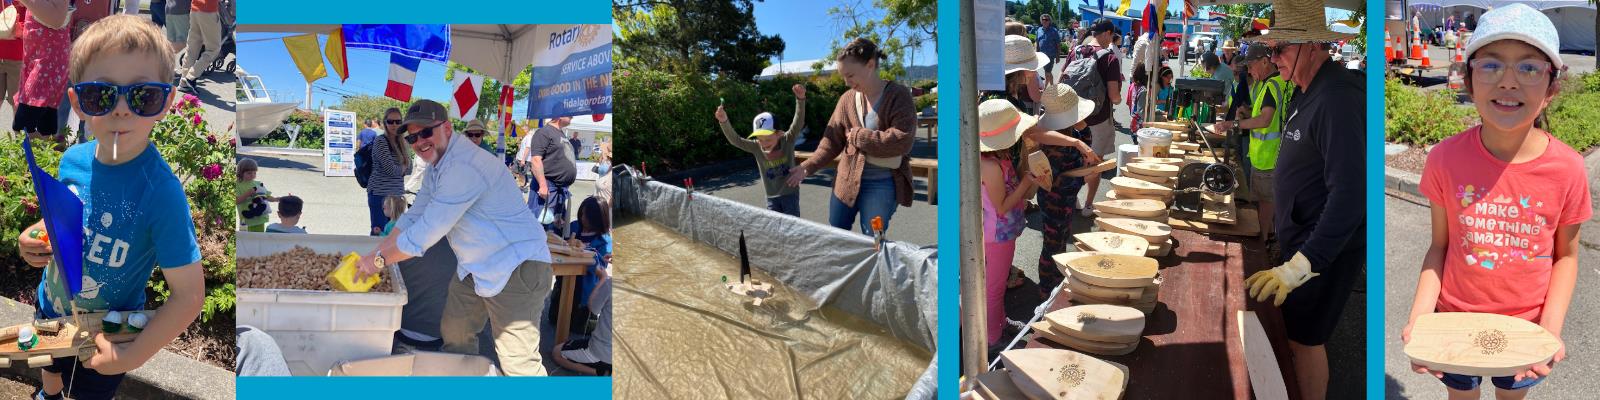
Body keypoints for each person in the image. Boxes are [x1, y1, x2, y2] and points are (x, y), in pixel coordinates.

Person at [1404, 5, 1588, 399]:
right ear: (1468, 81)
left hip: (1527, 330)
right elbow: (1440, 245)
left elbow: (1567, 258)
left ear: (1552, 87)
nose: (1508, 82)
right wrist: (1420, 319)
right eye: (1490, 66)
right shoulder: (1444, 158)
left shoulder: (1568, 169)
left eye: (1529, 68)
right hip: (1454, 321)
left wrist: (1550, 331)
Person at [15, 16, 203, 400]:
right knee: (48, 366)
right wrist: (35, 236)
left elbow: (189, 296)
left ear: (166, 102)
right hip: (52, 304)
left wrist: (131, 355)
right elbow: (66, 215)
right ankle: (48, 395)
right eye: (100, 95)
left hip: (107, 329)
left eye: (143, 95)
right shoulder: (74, 158)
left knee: (87, 390)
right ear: (77, 104)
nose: (120, 110)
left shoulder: (160, 192)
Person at [356, 99, 554, 376]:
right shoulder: (438, 166)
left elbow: (425, 234)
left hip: (517, 266)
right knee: (455, 335)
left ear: (447, 128)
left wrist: (376, 262)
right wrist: (376, 252)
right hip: (476, 266)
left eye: (426, 132)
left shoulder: (463, 166)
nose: (419, 141)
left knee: (519, 363)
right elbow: (413, 217)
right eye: (412, 137)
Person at [1240, 1, 1366, 399]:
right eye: (1272, 50)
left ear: (1313, 45)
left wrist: (1302, 265)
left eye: (1280, 50)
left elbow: (1350, 193)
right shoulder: (1308, 90)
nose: (1272, 58)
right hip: (1303, 242)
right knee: (1295, 336)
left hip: (1321, 252)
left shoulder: (1336, 97)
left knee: (1306, 340)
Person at [787, 38, 915, 237]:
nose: (846, 82)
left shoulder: (899, 95)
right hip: (845, 180)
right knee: (837, 233)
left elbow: (901, 140)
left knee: (874, 239)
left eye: (850, 75)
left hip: (882, 184)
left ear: (871, 65)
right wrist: (808, 166)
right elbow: (830, 142)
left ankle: (874, 269)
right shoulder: (846, 99)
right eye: (843, 77)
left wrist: (858, 136)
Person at [976, 99, 1041, 351]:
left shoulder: (994, 157)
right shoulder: (990, 165)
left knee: (997, 283)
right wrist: (1026, 183)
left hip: (1000, 232)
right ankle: (993, 338)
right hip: (997, 234)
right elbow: (1001, 206)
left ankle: (1000, 322)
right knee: (993, 288)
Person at [1212, 45, 1290, 242]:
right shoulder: (1271, 83)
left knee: (1265, 204)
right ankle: (1269, 237)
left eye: (1251, 66)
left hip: (1269, 157)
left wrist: (1234, 123)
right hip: (1267, 156)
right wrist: (1246, 113)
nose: (1249, 72)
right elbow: (1263, 116)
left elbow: (1265, 120)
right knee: (1265, 203)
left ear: (1265, 61)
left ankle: (1263, 240)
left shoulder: (1272, 85)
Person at [716, 83, 806, 217]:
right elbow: (736, 140)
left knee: (792, 227)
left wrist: (800, 100)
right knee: (774, 228)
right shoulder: (756, 146)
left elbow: (798, 122)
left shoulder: (787, 140)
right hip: (771, 197)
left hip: (790, 195)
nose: (764, 143)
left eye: (768, 139)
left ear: (778, 133)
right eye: (760, 139)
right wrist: (724, 121)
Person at [1072, 18, 1122, 218]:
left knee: (1074, 160)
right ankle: (1088, 205)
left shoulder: (1075, 52)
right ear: (1108, 33)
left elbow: (1060, 83)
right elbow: (1114, 97)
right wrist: (1118, 99)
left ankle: (1072, 197)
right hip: (1098, 119)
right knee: (1095, 163)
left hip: (1073, 117)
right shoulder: (1109, 58)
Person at [13, 0, 71, 145]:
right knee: (39, 125)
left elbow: (57, 19)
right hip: (37, 58)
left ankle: (36, 163)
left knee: (25, 124)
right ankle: (38, 162)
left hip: (48, 62)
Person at [529, 115, 578, 236]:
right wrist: (542, 185)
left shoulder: (560, 133)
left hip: (559, 191)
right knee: (540, 227)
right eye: (569, 113)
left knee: (555, 232)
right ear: (559, 115)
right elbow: (535, 160)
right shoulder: (543, 132)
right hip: (547, 189)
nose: (572, 116)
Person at [367, 107, 411, 236]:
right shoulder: (381, 141)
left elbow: (410, 168)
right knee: (379, 233)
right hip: (380, 195)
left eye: (398, 121)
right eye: (390, 121)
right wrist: (402, 167)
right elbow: (391, 170)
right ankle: (374, 257)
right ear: (385, 123)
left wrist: (402, 168)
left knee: (394, 233)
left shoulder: (402, 142)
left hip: (396, 196)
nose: (394, 125)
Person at [175, 0, 221, 89]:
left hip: (195, 9)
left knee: (192, 48)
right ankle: (191, 77)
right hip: (208, 10)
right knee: (213, 49)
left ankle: (183, 83)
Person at [235, 158, 279, 232]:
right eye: (249, 173)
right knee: (245, 240)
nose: (252, 175)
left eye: (254, 173)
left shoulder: (258, 184)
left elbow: (266, 196)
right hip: (246, 220)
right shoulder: (237, 185)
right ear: (241, 172)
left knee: (258, 239)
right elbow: (236, 201)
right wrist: (248, 194)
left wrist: (275, 199)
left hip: (260, 219)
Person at [0, 1, 23, 111]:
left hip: (16, 58)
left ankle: (16, 129)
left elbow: (32, 22)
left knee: (16, 102)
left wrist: (21, 30)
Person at [1037, 13, 1060, 81]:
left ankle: (1046, 87)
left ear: (1049, 21)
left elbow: (1058, 44)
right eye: (1043, 19)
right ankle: (1052, 86)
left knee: (1048, 71)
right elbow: (1037, 42)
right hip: (1042, 55)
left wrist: (1058, 56)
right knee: (1047, 72)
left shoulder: (1054, 31)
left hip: (1050, 55)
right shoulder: (1039, 30)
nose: (1045, 21)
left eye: (1047, 19)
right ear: (1041, 21)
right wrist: (1037, 54)